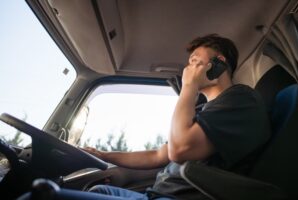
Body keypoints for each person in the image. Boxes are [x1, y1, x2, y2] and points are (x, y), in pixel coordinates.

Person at [83, 34, 271, 199]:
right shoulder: (205, 110)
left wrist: (189, 87)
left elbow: (179, 150)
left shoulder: (240, 98)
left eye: (194, 60)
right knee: (100, 190)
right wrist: (104, 155)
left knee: (54, 193)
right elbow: (157, 155)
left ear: (219, 62)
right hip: (157, 194)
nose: (188, 69)